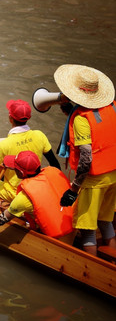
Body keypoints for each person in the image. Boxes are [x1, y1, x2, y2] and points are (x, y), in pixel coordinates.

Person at [54, 64, 116, 256]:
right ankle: (110, 263)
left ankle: (93, 271)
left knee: (87, 230)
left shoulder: (81, 119)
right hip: (113, 175)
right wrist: (69, 111)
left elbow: (86, 158)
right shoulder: (113, 106)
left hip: (94, 182)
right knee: (106, 221)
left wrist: (74, 189)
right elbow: (101, 125)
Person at [0, 151, 74, 238]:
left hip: (53, 235)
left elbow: (1, 220)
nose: (13, 169)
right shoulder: (53, 171)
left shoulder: (24, 198)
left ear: (21, 173)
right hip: (71, 224)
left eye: (15, 168)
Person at [0, 99, 61, 202]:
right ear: (29, 118)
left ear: (10, 118)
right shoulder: (39, 135)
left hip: (15, 193)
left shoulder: (3, 145)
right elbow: (56, 166)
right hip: (34, 188)